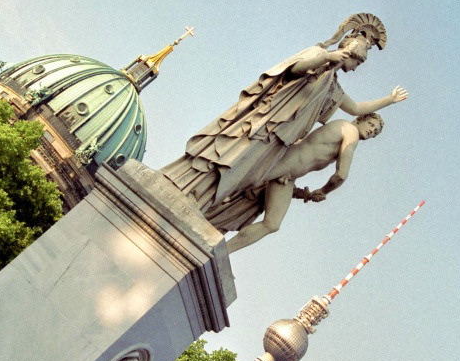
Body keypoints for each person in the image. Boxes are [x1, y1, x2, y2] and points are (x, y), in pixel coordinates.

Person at [161, 13, 407, 227]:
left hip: (280, 139)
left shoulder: (332, 85)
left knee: (240, 171)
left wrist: (389, 99)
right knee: (229, 156)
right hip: (263, 122)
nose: (354, 68)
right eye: (357, 61)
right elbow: (295, 69)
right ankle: (185, 189)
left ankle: (200, 201)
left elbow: (355, 108)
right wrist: (329, 58)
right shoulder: (320, 54)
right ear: (350, 51)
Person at [225, 113, 384, 253]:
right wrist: (323, 191)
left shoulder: (341, 136)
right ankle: (203, 197)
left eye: (375, 132)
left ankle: (223, 252)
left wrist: (301, 193)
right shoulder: (351, 131)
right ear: (359, 120)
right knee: (237, 182)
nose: (372, 130)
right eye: (371, 124)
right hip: (287, 160)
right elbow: (341, 174)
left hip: (289, 175)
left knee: (272, 224)